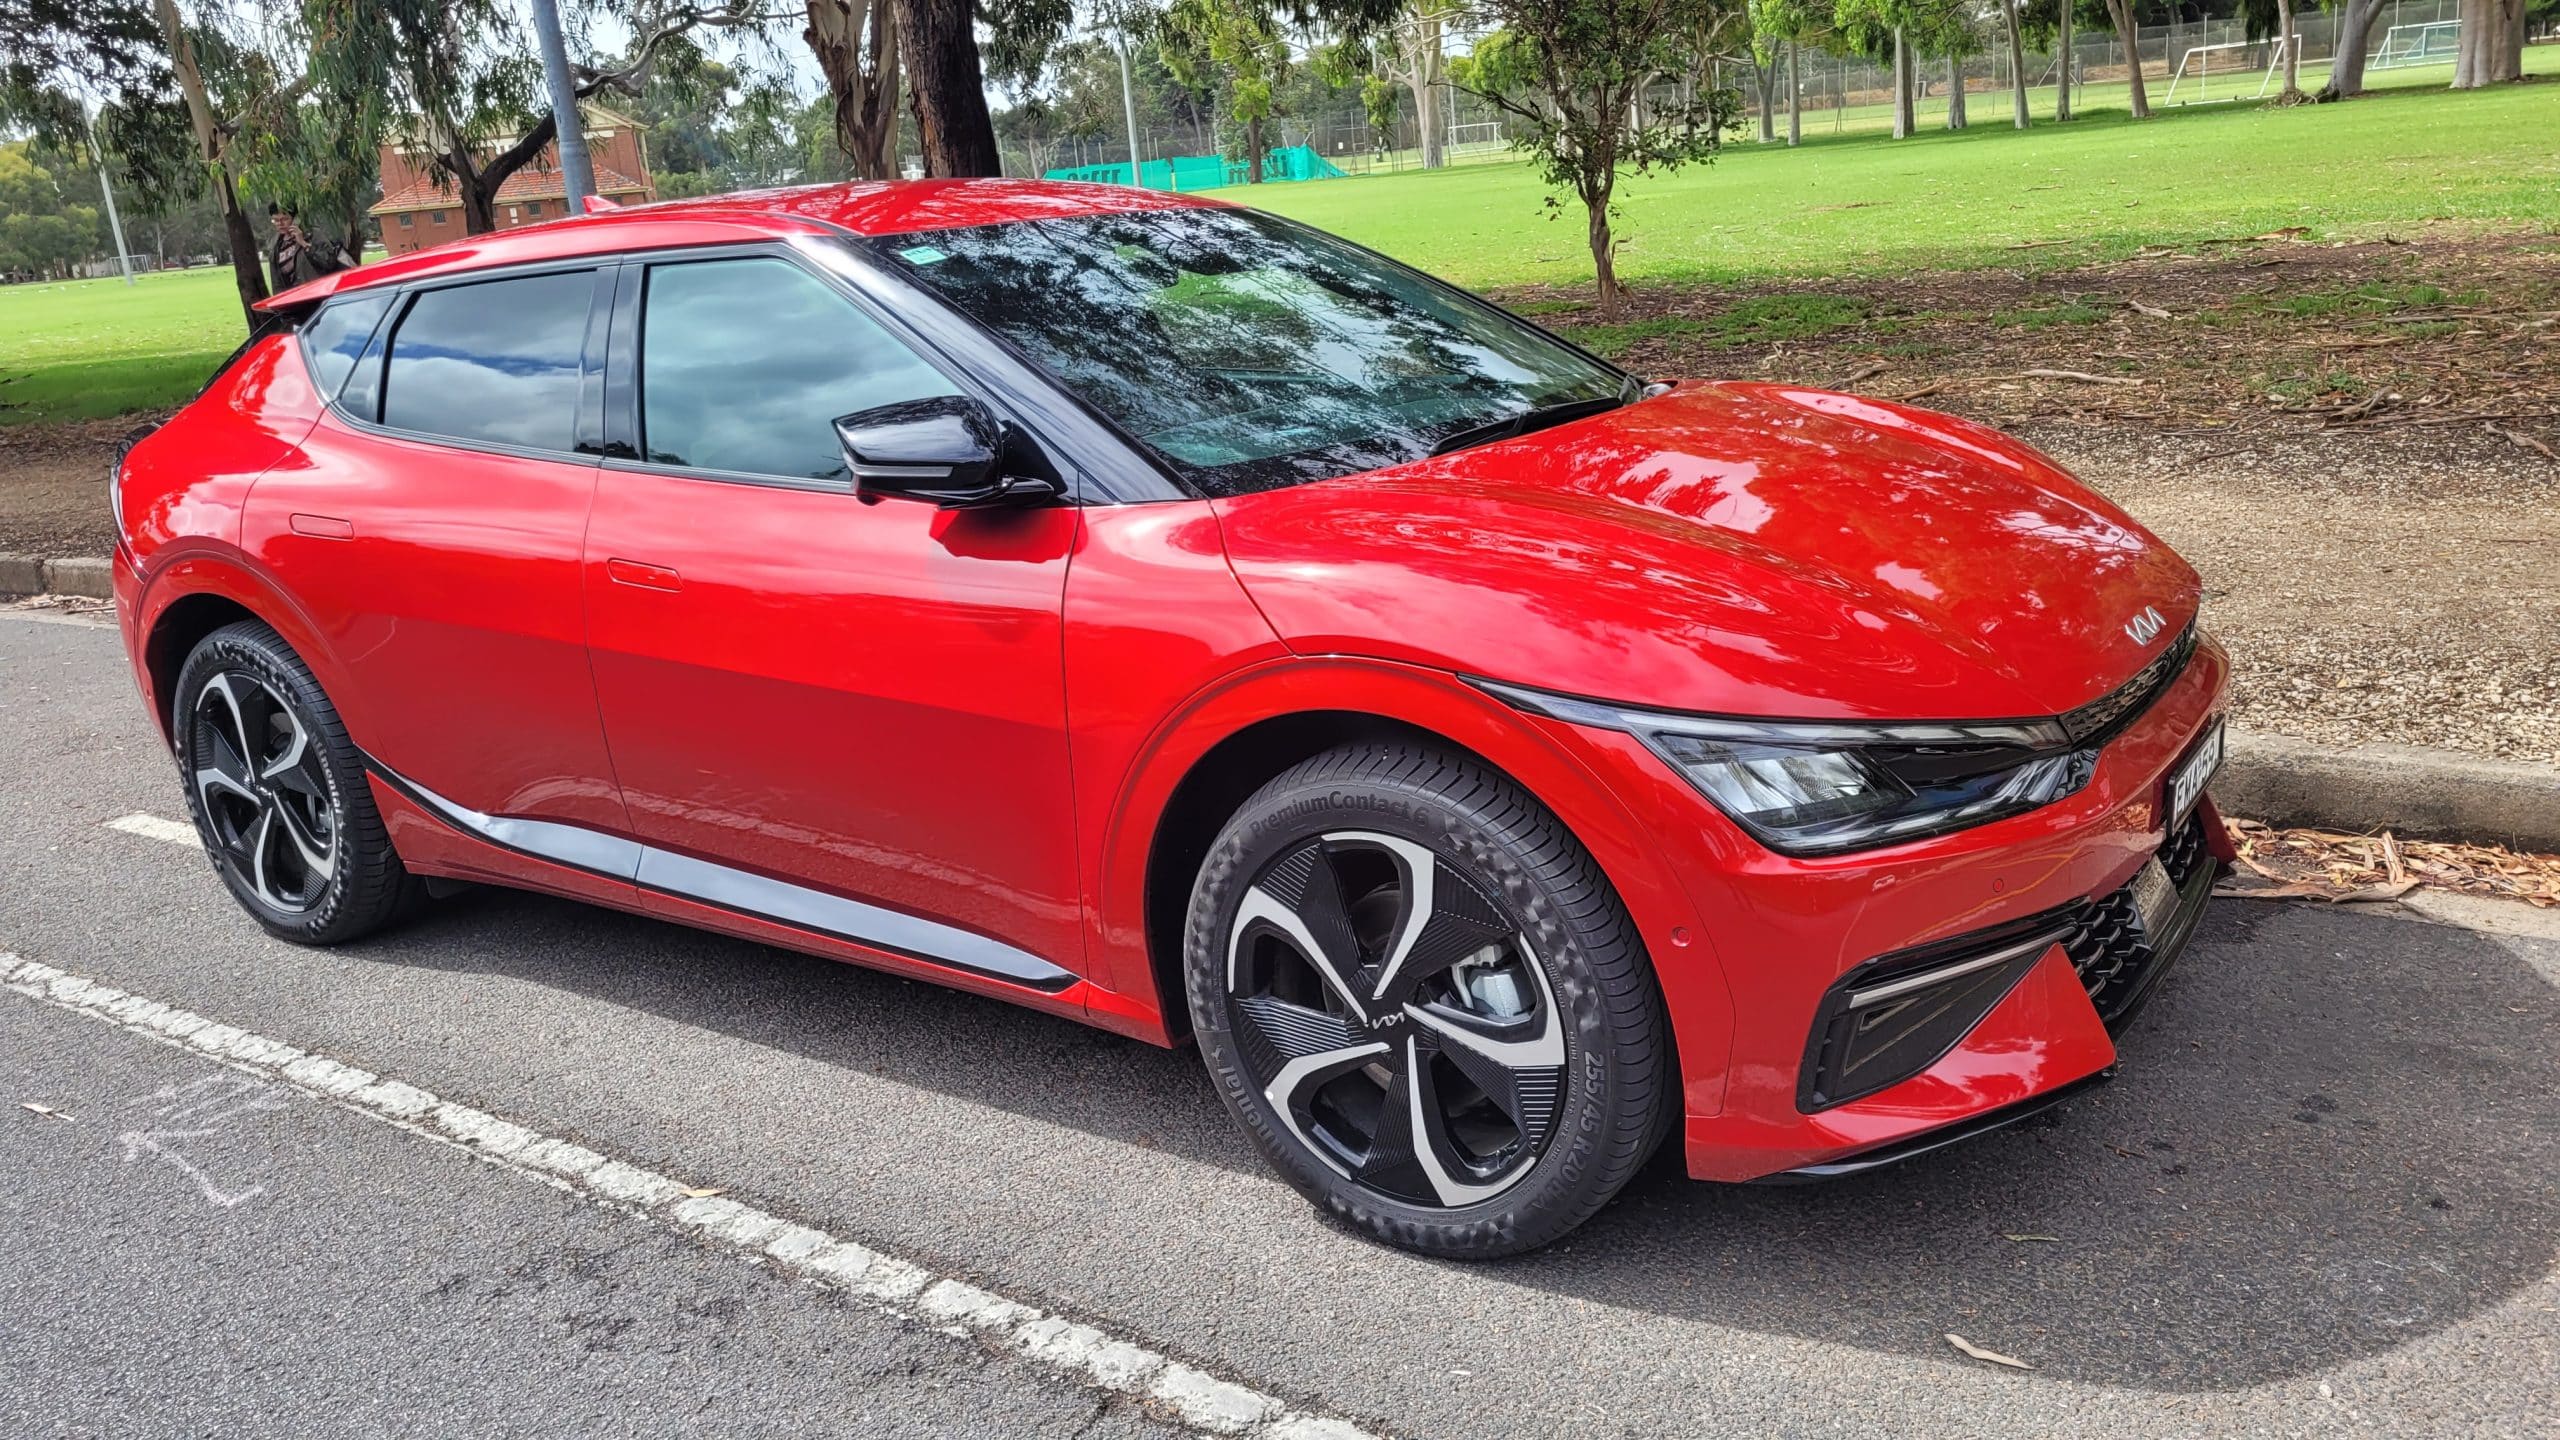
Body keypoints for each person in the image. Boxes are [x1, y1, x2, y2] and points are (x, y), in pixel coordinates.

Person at [268, 205, 355, 290]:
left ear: (295, 219)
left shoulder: (313, 235)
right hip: (292, 297)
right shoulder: (275, 244)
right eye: (275, 220)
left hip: (317, 291)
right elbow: (276, 281)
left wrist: (304, 244)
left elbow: (328, 261)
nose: (280, 224)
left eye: (284, 219)